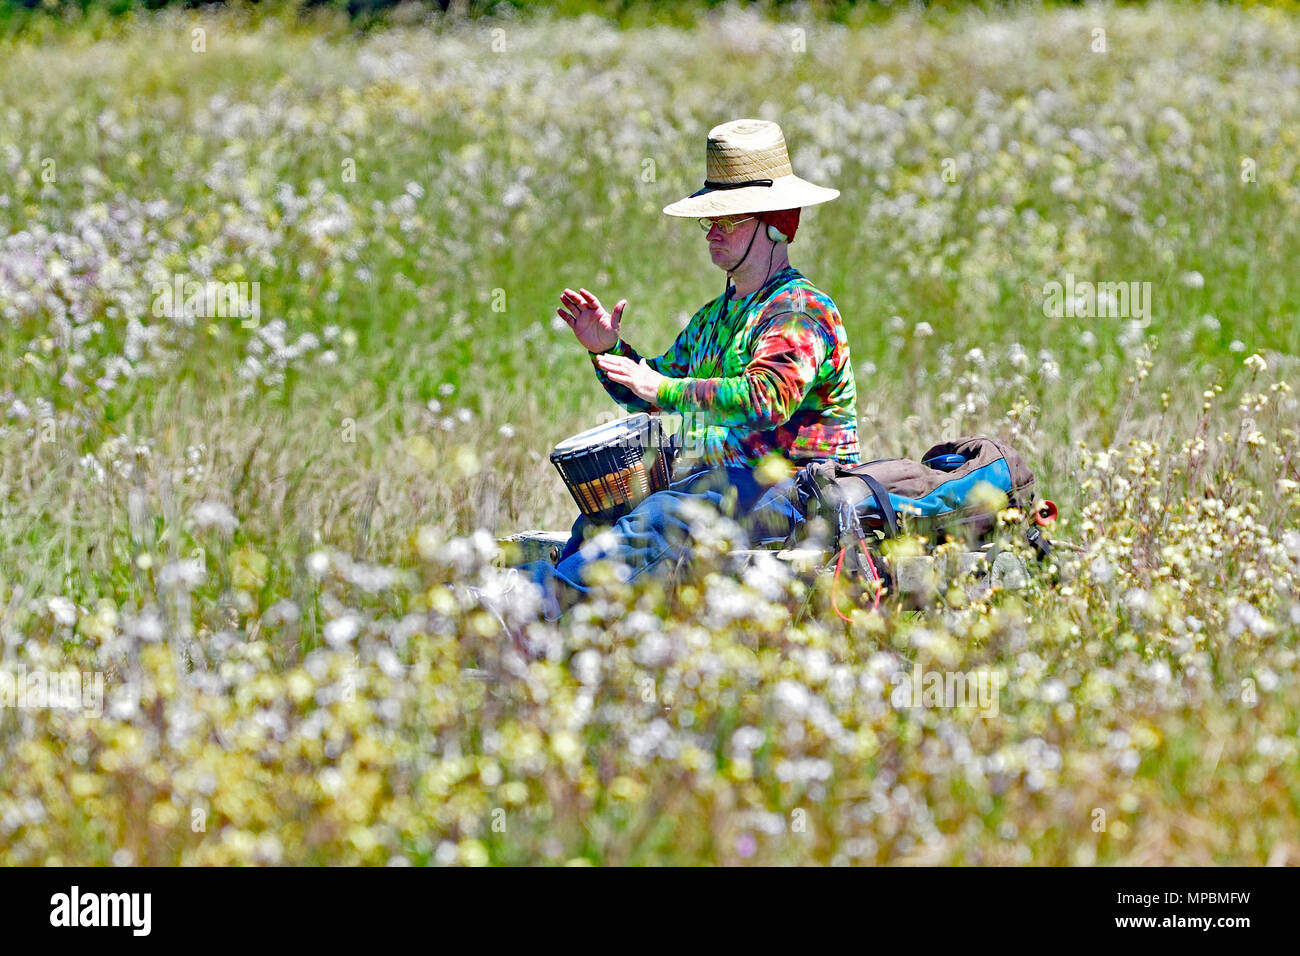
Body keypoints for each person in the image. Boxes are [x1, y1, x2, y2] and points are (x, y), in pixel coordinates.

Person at [515, 118, 860, 624]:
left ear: (774, 224)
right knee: (600, 518)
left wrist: (665, 387)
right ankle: (550, 629)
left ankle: (533, 616)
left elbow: (769, 399)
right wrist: (608, 349)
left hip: (799, 488)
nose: (714, 232)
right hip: (733, 485)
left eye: (730, 219)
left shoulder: (798, 310)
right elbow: (651, 390)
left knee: (665, 516)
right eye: (710, 220)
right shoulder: (714, 317)